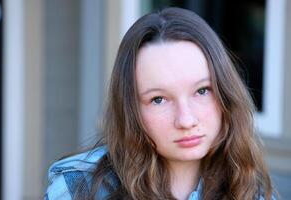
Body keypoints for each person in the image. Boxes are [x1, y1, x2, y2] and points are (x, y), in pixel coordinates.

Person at [45, 7, 275, 200]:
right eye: (158, 99)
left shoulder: (251, 191)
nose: (186, 120)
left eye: (202, 91)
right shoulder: (79, 189)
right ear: (131, 109)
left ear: (226, 93)